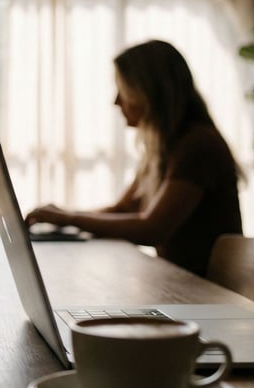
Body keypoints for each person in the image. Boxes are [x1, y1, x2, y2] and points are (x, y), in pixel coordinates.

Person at [25, 39, 242, 276]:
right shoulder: (166, 146)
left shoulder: (197, 145)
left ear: (149, 92)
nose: (116, 101)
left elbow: (152, 229)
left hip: (205, 292)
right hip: (181, 283)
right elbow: (124, 208)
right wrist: (63, 218)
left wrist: (69, 218)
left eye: (123, 89)